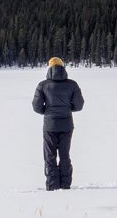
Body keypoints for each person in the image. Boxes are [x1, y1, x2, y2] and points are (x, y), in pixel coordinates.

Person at [31, 57, 84, 191]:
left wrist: (47, 111)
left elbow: (36, 107)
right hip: (66, 125)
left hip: (50, 125)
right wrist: (67, 109)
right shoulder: (72, 84)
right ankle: (65, 185)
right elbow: (79, 105)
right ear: (63, 67)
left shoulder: (42, 85)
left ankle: (52, 186)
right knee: (65, 155)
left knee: (50, 156)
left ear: (49, 68)